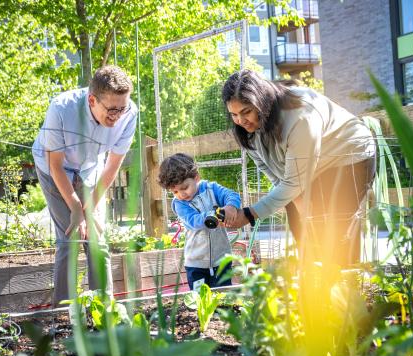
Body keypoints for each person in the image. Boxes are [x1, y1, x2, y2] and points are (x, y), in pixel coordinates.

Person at [221, 69, 376, 267]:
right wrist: (294, 195)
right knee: (301, 226)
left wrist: (249, 215)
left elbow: (294, 181)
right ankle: (313, 284)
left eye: (246, 112)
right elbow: (269, 167)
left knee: (335, 228)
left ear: (261, 102)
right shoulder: (247, 129)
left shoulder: (299, 117)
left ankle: (346, 282)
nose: (241, 121)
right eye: (233, 114)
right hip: (308, 165)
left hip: (348, 155)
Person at [32, 65, 137, 303]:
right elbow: (55, 166)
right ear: (92, 100)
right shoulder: (61, 109)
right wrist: (76, 207)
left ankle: (105, 309)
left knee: (96, 238)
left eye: (122, 108)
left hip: (91, 166)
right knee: (70, 239)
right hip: (53, 168)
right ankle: (62, 314)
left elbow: (112, 166)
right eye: (111, 110)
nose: (117, 116)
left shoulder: (129, 113)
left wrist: (90, 207)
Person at [158, 153, 241, 290]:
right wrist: (213, 214)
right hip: (195, 263)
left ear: (196, 177)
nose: (181, 194)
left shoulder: (212, 189)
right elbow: (193, 221)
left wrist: (231, 206)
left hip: (221, 259)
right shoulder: (179, 204)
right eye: (175, 191)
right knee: (200, 301)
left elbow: (231, 195)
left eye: (184, 188)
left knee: (223, 297)